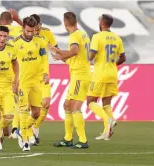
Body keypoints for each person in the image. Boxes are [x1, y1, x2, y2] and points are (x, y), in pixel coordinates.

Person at [51, 12, 90, 148]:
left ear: (65, 23)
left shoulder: (74, 36)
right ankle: (68, 139)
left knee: (75, 107)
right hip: (78, 75)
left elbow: (74, 51)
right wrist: (60, 54)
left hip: (80, 76)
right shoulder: (83, 34)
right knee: (67, 106)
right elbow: (74, 57)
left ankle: (83, 140)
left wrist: (60, 53)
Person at [87, 14, 125, 140]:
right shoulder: (117, 38)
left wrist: (85, 58)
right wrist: (113, 64)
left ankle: (109, 120)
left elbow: (91, 56)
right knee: (106, 103)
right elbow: (123, 58)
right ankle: (107, 133)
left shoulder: (97, 37)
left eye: (99, 21)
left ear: (102, 23)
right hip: (112, 73)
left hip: (100, 74)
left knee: (90, 101)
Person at [13, 16, 49, 151]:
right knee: (23, 109)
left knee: (36, 113)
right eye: (28, 31)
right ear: (23, 28)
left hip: (37, 80)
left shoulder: (40, 41)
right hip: (23, 81)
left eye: (32, 31)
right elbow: (13, 63)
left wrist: (46, 73)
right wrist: (14, 81)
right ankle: (25, 140)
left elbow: (44, 58)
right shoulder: (15, 43)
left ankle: (22, 131)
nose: (30, 34)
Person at [23, 14, 57, 145]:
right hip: (28, 77)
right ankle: (27, 131)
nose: (35, 32)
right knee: (29, 108)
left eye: (37, 29)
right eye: (33, 30)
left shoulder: (47, 34)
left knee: (46, 104)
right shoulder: (24, 39)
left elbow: (54, 48)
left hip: (43, 75)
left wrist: (63, 55)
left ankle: (34, 127)